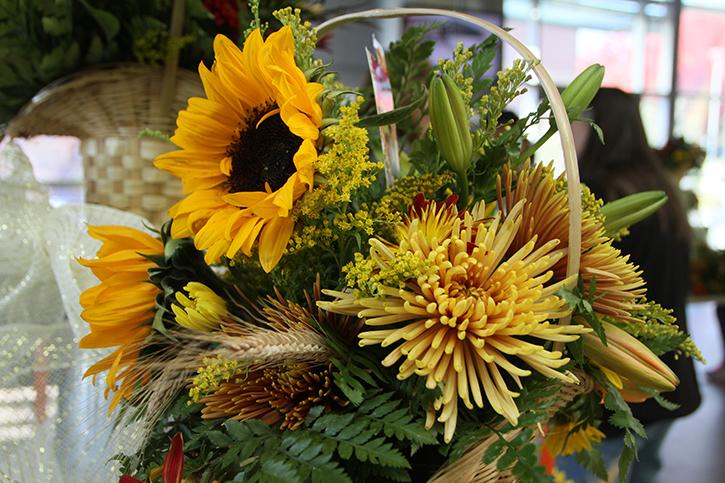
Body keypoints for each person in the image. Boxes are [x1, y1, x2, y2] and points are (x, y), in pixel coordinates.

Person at [562, 87, 701, 482]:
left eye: (574, 118)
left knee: (578, 474)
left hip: (619, 386)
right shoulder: (661, 190)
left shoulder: (599, 195)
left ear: (595, 127)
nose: (567, 129)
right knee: (643, 472)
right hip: (670, 376)